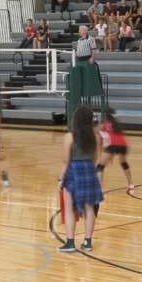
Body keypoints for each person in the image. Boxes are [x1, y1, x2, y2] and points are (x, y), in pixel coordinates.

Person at [57, 106, 102, 253]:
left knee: (69, 208)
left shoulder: (69, 137)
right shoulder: (96, 137)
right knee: (89, 208)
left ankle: (70, 243)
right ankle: (87, 242)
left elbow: (65, 161)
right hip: (90, 172)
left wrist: (60, 179)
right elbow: (96, 159)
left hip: (73, 172)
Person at [96, 110, 134, 194]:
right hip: (124, 144)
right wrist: (110, 155)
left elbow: (99, 143)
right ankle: (130, 184)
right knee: (123, 163)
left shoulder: (102, 126)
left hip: (113, 145)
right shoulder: (116, 125)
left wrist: (99, 157)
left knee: (100, 166)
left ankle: (99, 189)